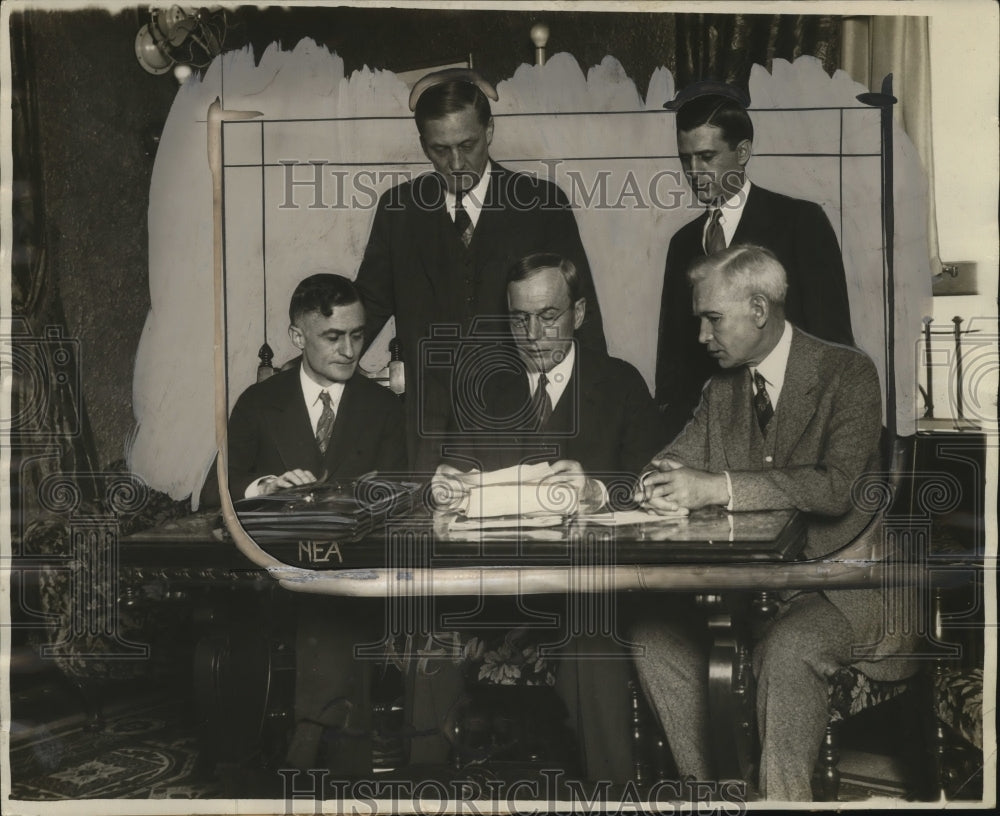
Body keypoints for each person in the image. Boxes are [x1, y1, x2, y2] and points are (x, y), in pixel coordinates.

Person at [632, 245, 915, 800]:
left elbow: (835, 489)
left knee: (787, 651)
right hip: (750, 595)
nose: (701, 337)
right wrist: (656, 485)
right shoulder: (721, 392)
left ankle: (783, 801)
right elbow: (668, 461)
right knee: (653, 638)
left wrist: (720, 487)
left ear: (758, 309)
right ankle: (716, 796)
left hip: (844, 591)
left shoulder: (848, 373)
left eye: (713, 319)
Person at [429, 251, 666, 782]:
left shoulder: (621, 385)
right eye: (518, 319)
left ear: (579, 313)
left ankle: (611, 797)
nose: (533, 333)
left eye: (549, 316)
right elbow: (456, 475)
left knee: (593, 642)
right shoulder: (482, 389)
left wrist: (600, 492)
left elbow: (656, 486)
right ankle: (429, 790)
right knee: (425, 626)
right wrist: (446, 486)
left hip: (590, 591)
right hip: (493, 592)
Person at [355, 68, 607, 473]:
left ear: (490, 131)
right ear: (422, 145)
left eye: (467, 144)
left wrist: (596, 422)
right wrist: (309, 370)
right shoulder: (397, 210)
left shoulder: (542, 203)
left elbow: (583, 317)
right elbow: (365, 309)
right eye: (440, 149)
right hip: (429, 433)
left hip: (523, 424)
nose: (456, 163)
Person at [224, 273, 406, 777]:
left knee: (335, 602)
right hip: (277, 578)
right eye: (333, 337)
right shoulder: (258, 404)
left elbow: (401, 495)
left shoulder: (386, 408)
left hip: (363, 576)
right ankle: (341, 760)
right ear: (297, 337)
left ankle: (309, 743)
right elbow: (211, 493)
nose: (350, 350)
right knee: (317, 602)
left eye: (357, 334)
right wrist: (266, 486)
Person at [655, 81, 854, 439]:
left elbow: (833, 344)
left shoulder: (800, 223)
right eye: (686, 159)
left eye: (707, 156)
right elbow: (673, 365)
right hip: (708, 436)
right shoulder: (682, 243)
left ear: (743, 152)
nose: (694, 172)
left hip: (790, 429)